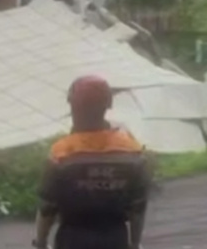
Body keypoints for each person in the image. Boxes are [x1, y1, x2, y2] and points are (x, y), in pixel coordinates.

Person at [32, 75, 153, 249]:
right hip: (115, 239)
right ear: (107, 106)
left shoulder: (61, 153)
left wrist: (41, 243)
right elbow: (138, 208)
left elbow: (47, 208)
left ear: (73, 107)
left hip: (72, 240)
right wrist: (134, 243)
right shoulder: (132, 151)